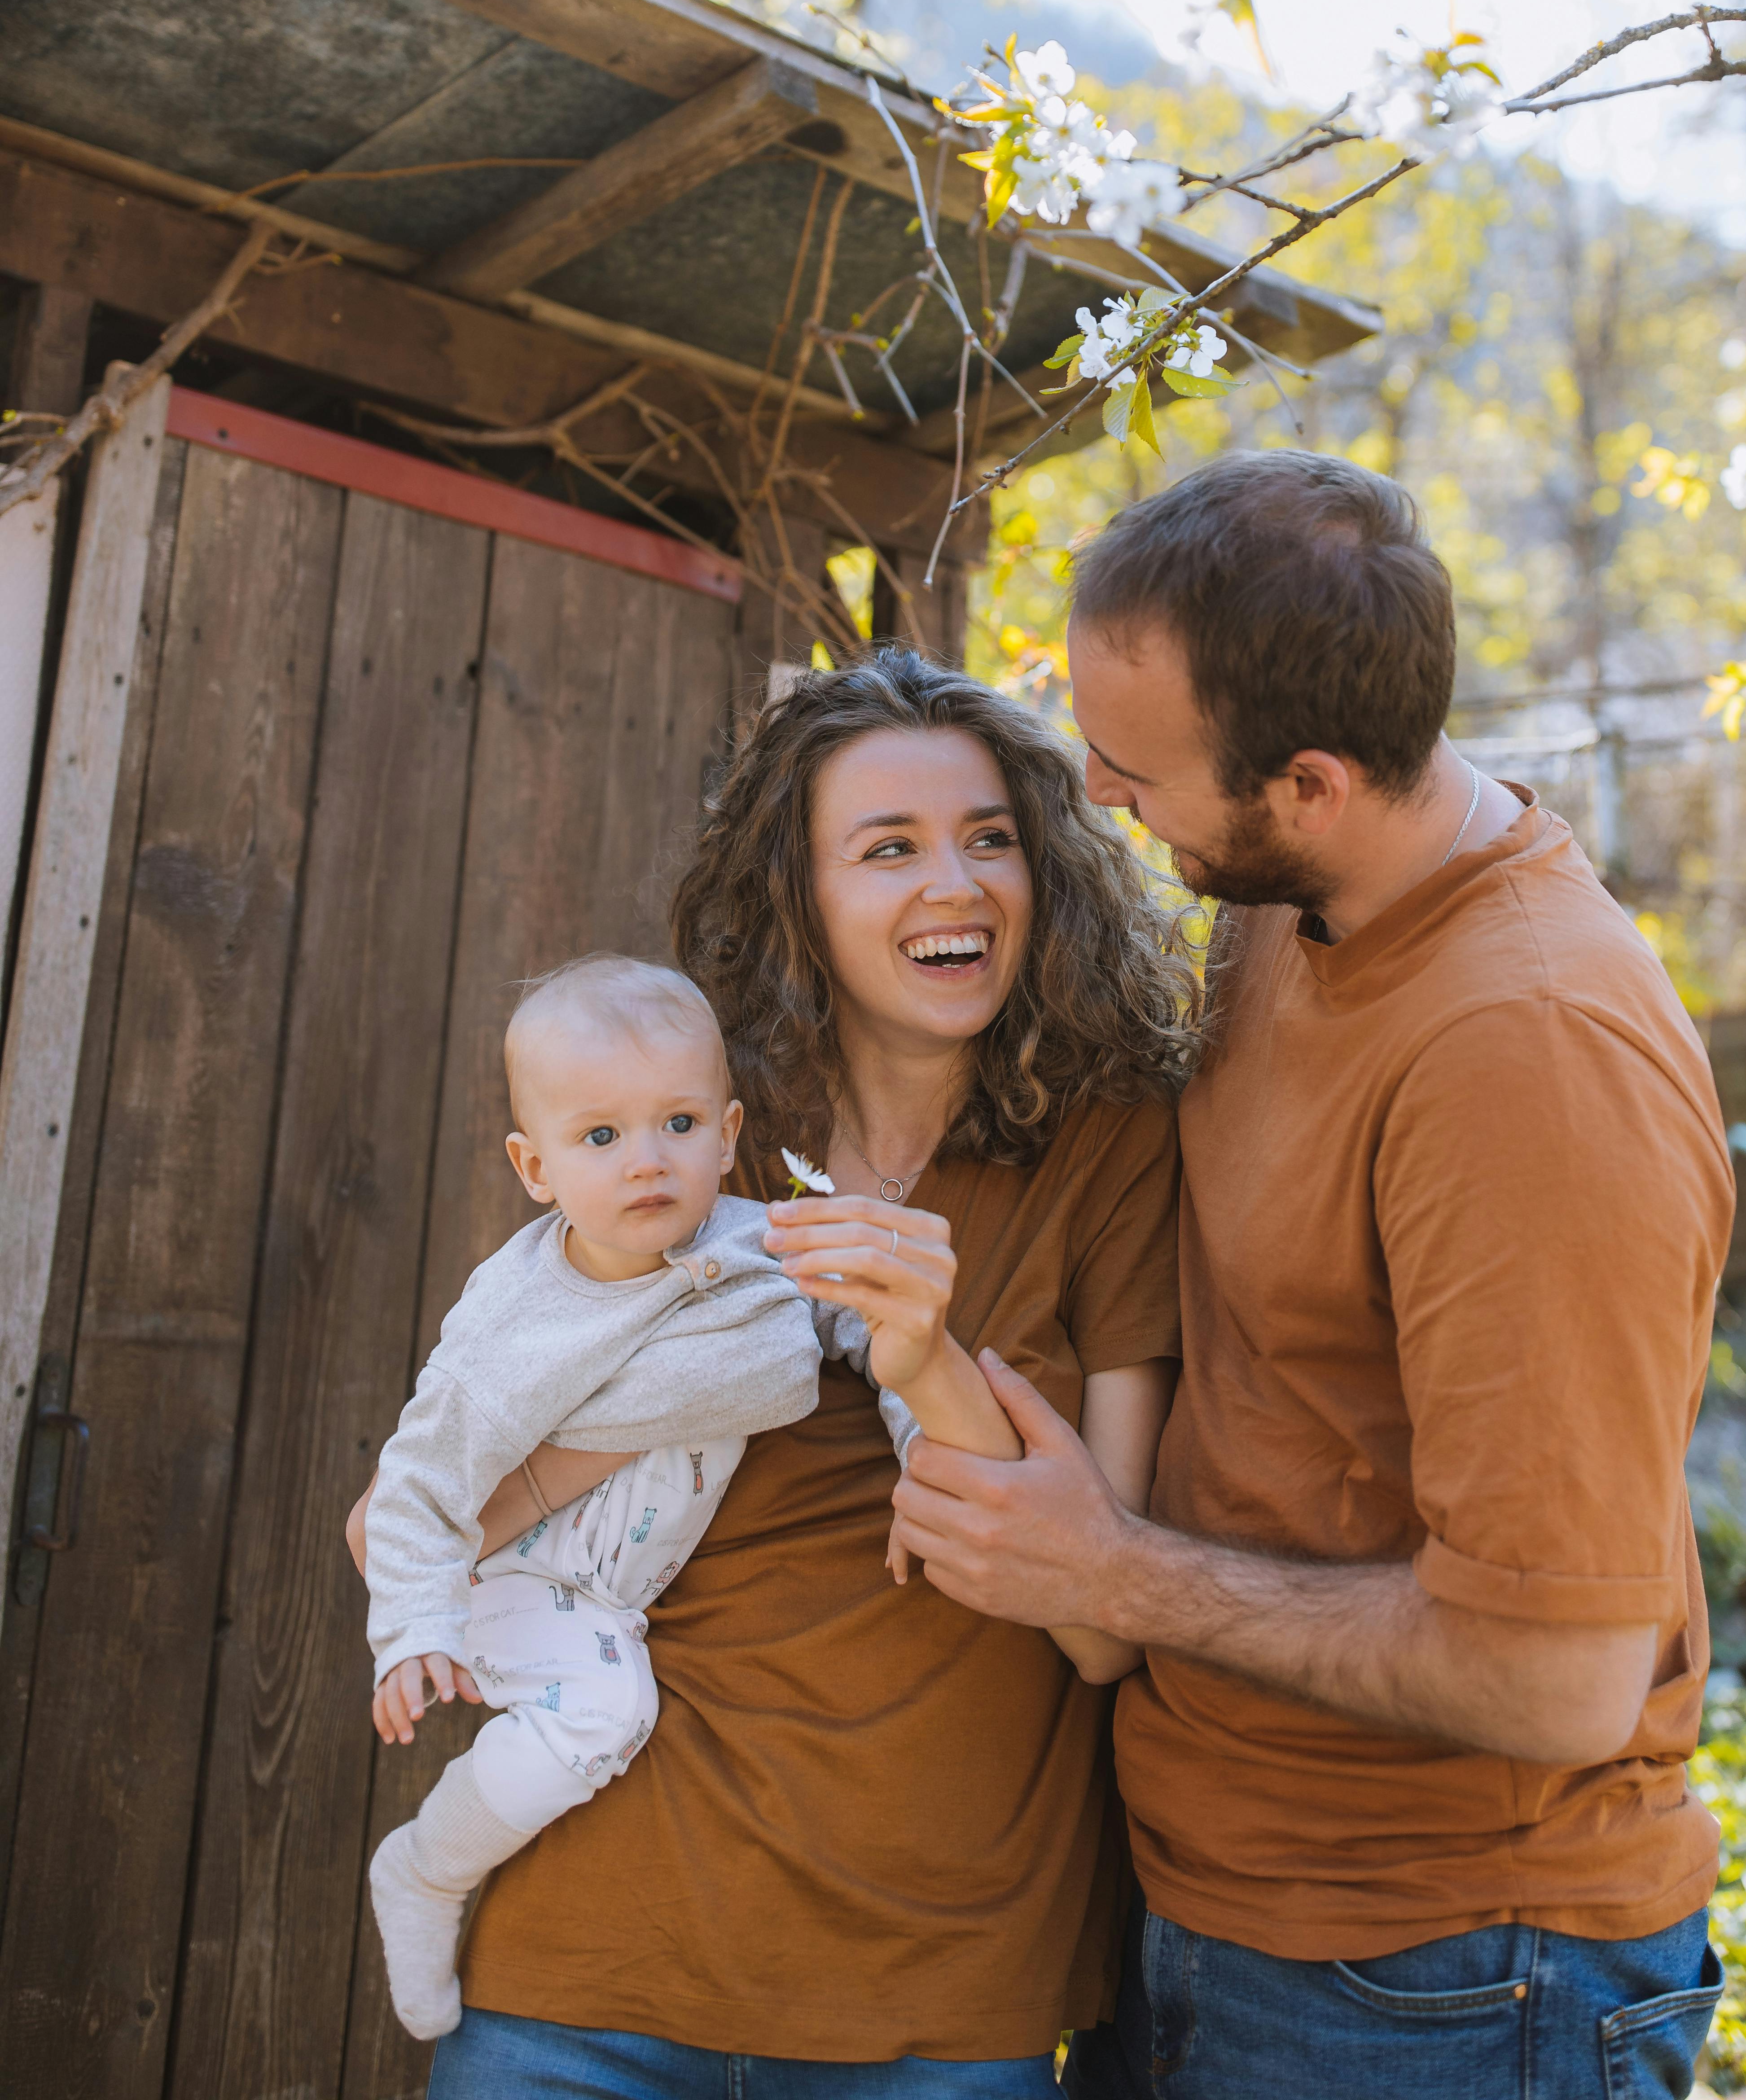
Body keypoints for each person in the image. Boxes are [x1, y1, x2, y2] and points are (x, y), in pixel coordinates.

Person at [890, 452, 1737, 2100]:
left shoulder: (1529, 1062)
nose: (1102, 790)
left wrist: (1107, 1569)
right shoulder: (1295, 894)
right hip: (1221, 1891)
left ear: (1314, 782)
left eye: (1138, 770)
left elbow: (1558, 1679)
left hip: (1443, 1979)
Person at [354, 649, 1193, 2098]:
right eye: (889, 848)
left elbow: (1107, 1631)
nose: (957, 883)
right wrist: (696, 1388)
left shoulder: (1107, 1149)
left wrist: (923, 1362)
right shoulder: (684, 1135)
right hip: (596, 1963)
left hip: (941, 1991)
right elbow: (406, 1522)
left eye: (991, 838)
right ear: (798, 897)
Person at [363, 957, 829, 2041]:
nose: (647, 1161)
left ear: (726, 1134)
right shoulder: (516, 1319)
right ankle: (428, 1869)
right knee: (607, 1711)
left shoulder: (758, 1247)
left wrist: (918, 1434)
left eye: (676, 1123)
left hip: (604, 1590)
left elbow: (850, 1328)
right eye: (601, 1137)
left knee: (606, 1688)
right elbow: (419, 1481)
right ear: (536, 1167)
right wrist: (412, 1634)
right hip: (507, 1575)